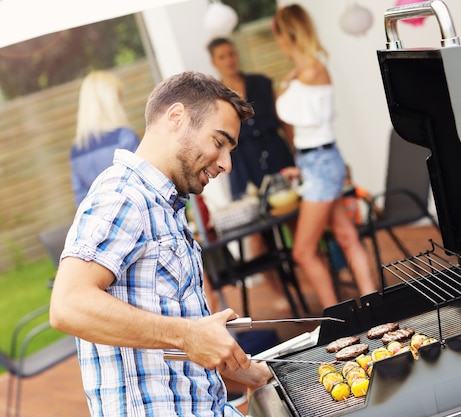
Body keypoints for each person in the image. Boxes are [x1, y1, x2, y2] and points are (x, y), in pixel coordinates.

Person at [49, 71, 272, 417]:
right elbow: (68, 305)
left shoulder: (164, 205)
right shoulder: (123, 197)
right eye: (219, 142)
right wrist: (187, 336)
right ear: (176, 118)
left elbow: (179, 331)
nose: (227, 164)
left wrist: (249, 372)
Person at [272, 4, 378, 309]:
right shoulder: (306, 72)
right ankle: (370, 305)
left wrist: (285, 86)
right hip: (316, 161)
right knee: (346, 236)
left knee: (303, 251)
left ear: (287, 36)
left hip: (320, 163)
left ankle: (338, 318)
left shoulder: (310, 72)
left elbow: (286, 110)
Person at [207, 37, 296, 311]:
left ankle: (309, 276)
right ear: (214, 61)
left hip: (275, 154)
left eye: (232, 53)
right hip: (243, 165)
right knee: (257, 235)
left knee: (295, 220)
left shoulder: (260, 82)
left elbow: (283, 122)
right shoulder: (215, 99)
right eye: (222, 56)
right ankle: (277, 289)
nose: (230, 59)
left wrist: (296, 154)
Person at [70, 70, 141, 206]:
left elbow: (81, 199)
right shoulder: (124, 137)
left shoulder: (76, 150)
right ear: (111, 102)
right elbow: (144, 184)